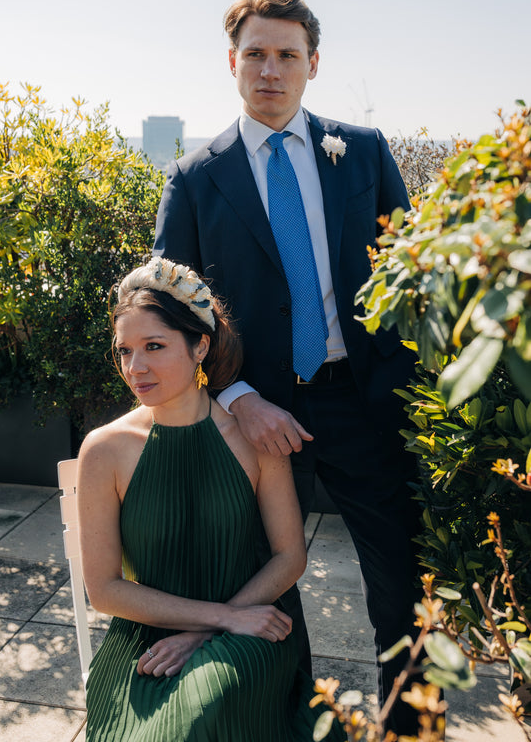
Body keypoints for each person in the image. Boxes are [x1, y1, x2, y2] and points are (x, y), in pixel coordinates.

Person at [152, 0, 422, 735]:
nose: (270, 70)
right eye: (256, 54)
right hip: (256, 413)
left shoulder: (360, 151)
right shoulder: (195, 178)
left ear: (312, 65)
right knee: (265, 583)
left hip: (361, 402)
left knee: (399, 580)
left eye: (287, 56)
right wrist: (234, 393)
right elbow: (170, 312)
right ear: (232, 62)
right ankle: (287, 724)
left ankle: (410, 726)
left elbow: (407, 272)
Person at [77, 257, 343, 742]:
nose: (135, 368)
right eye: (125, 351)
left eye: (154, 346)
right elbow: (105, 591)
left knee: (204, 713)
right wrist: (219, 617)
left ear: (200, 345)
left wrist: (220, 627)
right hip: (147, 641)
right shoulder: (104, 450)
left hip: (250, 633)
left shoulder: (252, 435)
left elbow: (290, 556)